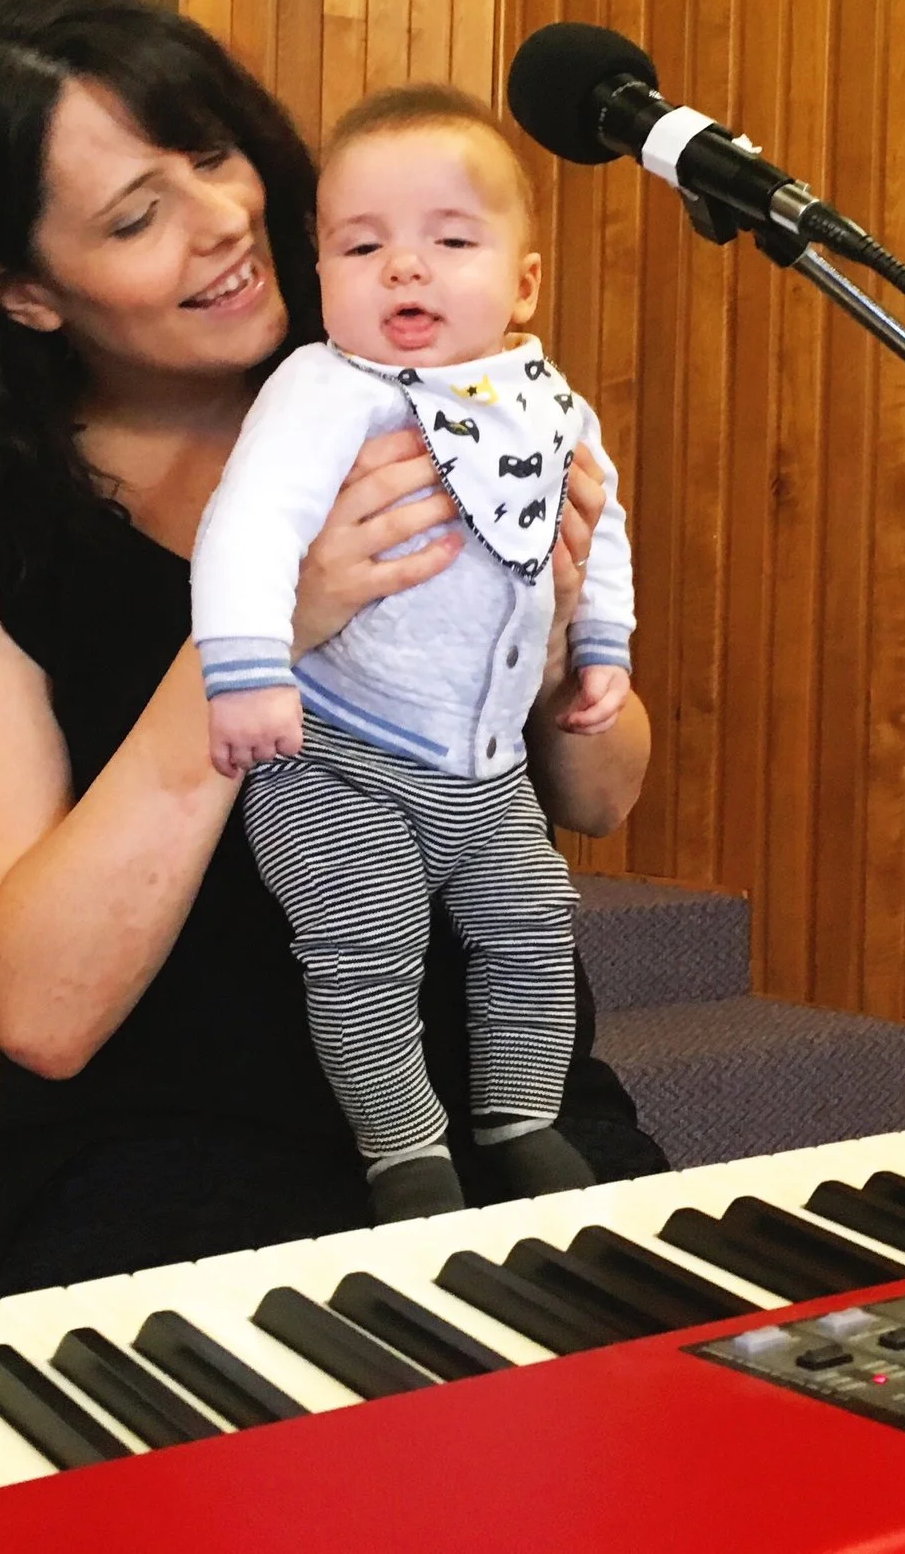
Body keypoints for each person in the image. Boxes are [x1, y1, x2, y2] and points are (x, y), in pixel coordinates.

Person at [0, 0, 665, 1300]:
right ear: (26, 293)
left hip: (511, 1109)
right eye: (134, 216)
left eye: (212, 150)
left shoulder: (423, 383)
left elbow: (603, 793)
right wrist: (264, 633)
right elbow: (46, 1009)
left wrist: (565, 635)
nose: (224, 220)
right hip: (175, 1164)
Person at [191, 83, 633, 1221]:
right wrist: (244, 669)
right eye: (362, 244)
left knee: (536, 930)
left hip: (486, 764)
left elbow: (603, 520)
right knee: (363, 947)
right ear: (318, 270)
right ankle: (404, 1150)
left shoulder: (545, 399)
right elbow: (248, 523)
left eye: (449, 241)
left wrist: (603, 646)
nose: (405, 269)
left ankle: (522, 1118)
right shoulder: (328, 388)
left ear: (523, 280)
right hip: (340, 749)